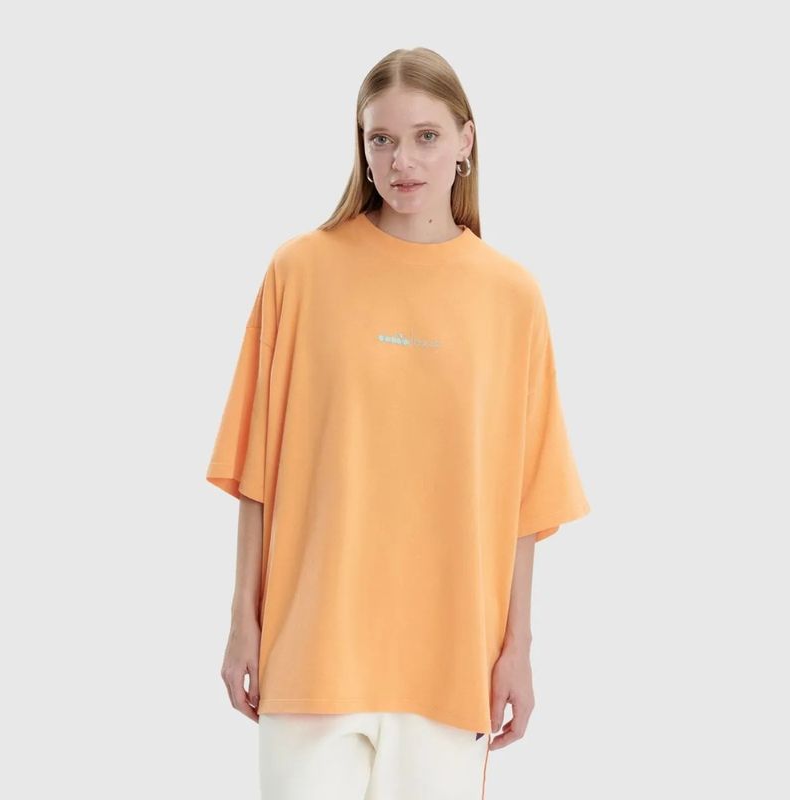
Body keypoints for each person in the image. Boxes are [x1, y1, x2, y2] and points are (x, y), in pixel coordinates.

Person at [207, 47, 591, 800]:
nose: (401, 161)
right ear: (361, 144)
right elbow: (257, 473)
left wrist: (519, 649)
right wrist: (241, 623)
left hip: (452, 660)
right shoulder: (300, 271)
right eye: (380, 138)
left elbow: (526, 500)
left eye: (426, 137)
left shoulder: (512, 297)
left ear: (465, 142)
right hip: (311, 648)